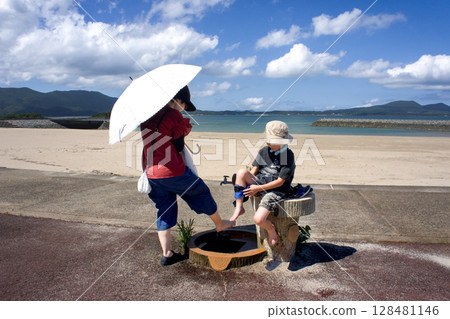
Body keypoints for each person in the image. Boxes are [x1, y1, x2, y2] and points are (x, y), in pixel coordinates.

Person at [141, 86, 235, 266]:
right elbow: (178, 144)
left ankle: (166, 254)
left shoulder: (147, 117)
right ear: (179, 100)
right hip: (171, 170)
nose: (183, 108)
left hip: (152, 173)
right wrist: (183, 128)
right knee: (200, 191)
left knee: (164, 210)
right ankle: (220, 224)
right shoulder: (173, 115)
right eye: (184, 104)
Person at [229, 120, 296, 246]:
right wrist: (246, 178)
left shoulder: (288, 155)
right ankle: (239, 207)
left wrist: (258, 188)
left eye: (272, 140)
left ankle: (271, 229)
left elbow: (281, 182)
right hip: (259, 184)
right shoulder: (264, 150)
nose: (268, 142)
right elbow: (255, 168)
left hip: (276, 190)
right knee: (241, 172)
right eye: (268, 139)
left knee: (258, 219)